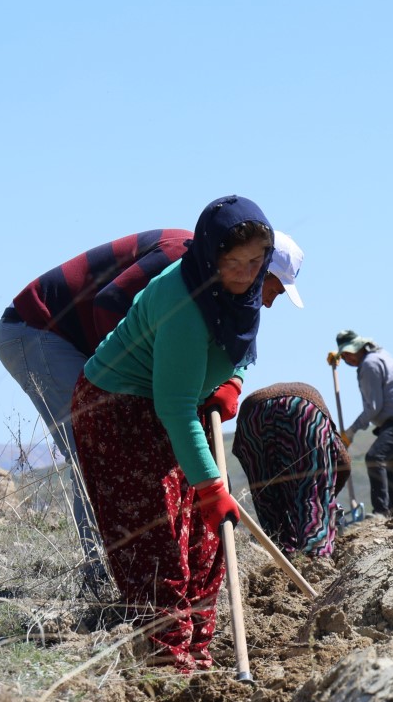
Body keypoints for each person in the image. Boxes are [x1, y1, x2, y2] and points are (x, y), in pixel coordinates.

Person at [0, 228, 304, 591]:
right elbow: (109, 304)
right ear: (257, 269)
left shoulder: (229, 287)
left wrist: (231, 381)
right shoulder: (182, 259)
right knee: (95, 445)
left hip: (75, 338)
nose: (269, 302)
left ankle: (155, 575)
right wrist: (133, 390)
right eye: (275, 290)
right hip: (41, 329)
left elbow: (232, 340)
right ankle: (101, 578)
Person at [69, 196, 276, 672]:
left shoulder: (238, 293)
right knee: (159, 541)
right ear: (209, 256)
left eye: (254, 261)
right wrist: (210, 487)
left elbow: (242, 345)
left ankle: (197, 650)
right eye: (233, 262)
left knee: (205, 538)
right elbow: (175, 405)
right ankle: (165, 659)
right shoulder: (185, 303)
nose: (245, 273)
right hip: (118, 409)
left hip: (171, 405)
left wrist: (233, 380)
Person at [231, 382, 350, 557]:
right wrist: (326, 497)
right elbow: (343, 462)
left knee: (267, 497)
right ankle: (315, 560)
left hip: (252, 415)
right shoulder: (335, 465)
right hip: (303, 410)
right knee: (312, 494)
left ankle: (281, 555)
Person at [334, 330, 393, 516]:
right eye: (344, 355)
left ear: (360, 347)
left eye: (350, 353)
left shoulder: (369, 364)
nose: (348, 359)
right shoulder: (380, 355)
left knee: (374, 458)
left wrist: (351, 431)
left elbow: (373, 407)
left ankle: (380, 513)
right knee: (391, 471)